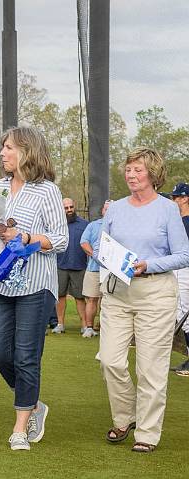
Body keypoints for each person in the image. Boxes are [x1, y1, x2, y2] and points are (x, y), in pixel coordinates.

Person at [0, 126, 68, 451]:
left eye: (9, 147)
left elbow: (62, 239)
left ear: (27, 151)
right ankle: (35, 403)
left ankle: (21, 427)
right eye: (3, 147)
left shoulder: (48, 191)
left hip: (36, 286)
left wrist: (27, 239)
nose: (3, 153)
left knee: (26, 358)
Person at [99, 147, 189, 453]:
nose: (132, 175)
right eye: (128, 169)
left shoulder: (167, 210)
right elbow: (104, 247)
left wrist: (148, 265)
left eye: (138, 170)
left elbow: (183, 254)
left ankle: (147, 434)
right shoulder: (116, 208)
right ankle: (125, 416)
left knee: (150, 368)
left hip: (155, 293)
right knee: (110, 360)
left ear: (152, 174)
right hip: (117, 293)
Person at [52, 198, 88, 334]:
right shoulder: (56, 225)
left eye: (71, 207)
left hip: (79, 266)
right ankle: (60, 324)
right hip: (60, 265)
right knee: (60, 296)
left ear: (75, 207)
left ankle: (84, 325)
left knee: (80, 297)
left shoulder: (85, 224)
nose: (69, 210)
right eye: (66, 208)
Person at [79, 200, 112, 338]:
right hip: (93, 269)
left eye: (111, 209)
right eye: (106, 209)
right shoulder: (93, 225)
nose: (108, 212)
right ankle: (89, 328)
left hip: (111, 271)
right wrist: (95, 255)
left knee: (109, 301)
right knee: (92, 299)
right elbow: (83, 242)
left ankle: (107, 330)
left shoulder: (120, 226)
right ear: (102, 211)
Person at [169, 182, 189, 375]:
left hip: (184, 271)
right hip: (180, 269)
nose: (173, 200)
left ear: (185, 198)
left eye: (176, 197)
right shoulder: (178, 220)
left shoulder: (185, 221)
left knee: (184, 315)